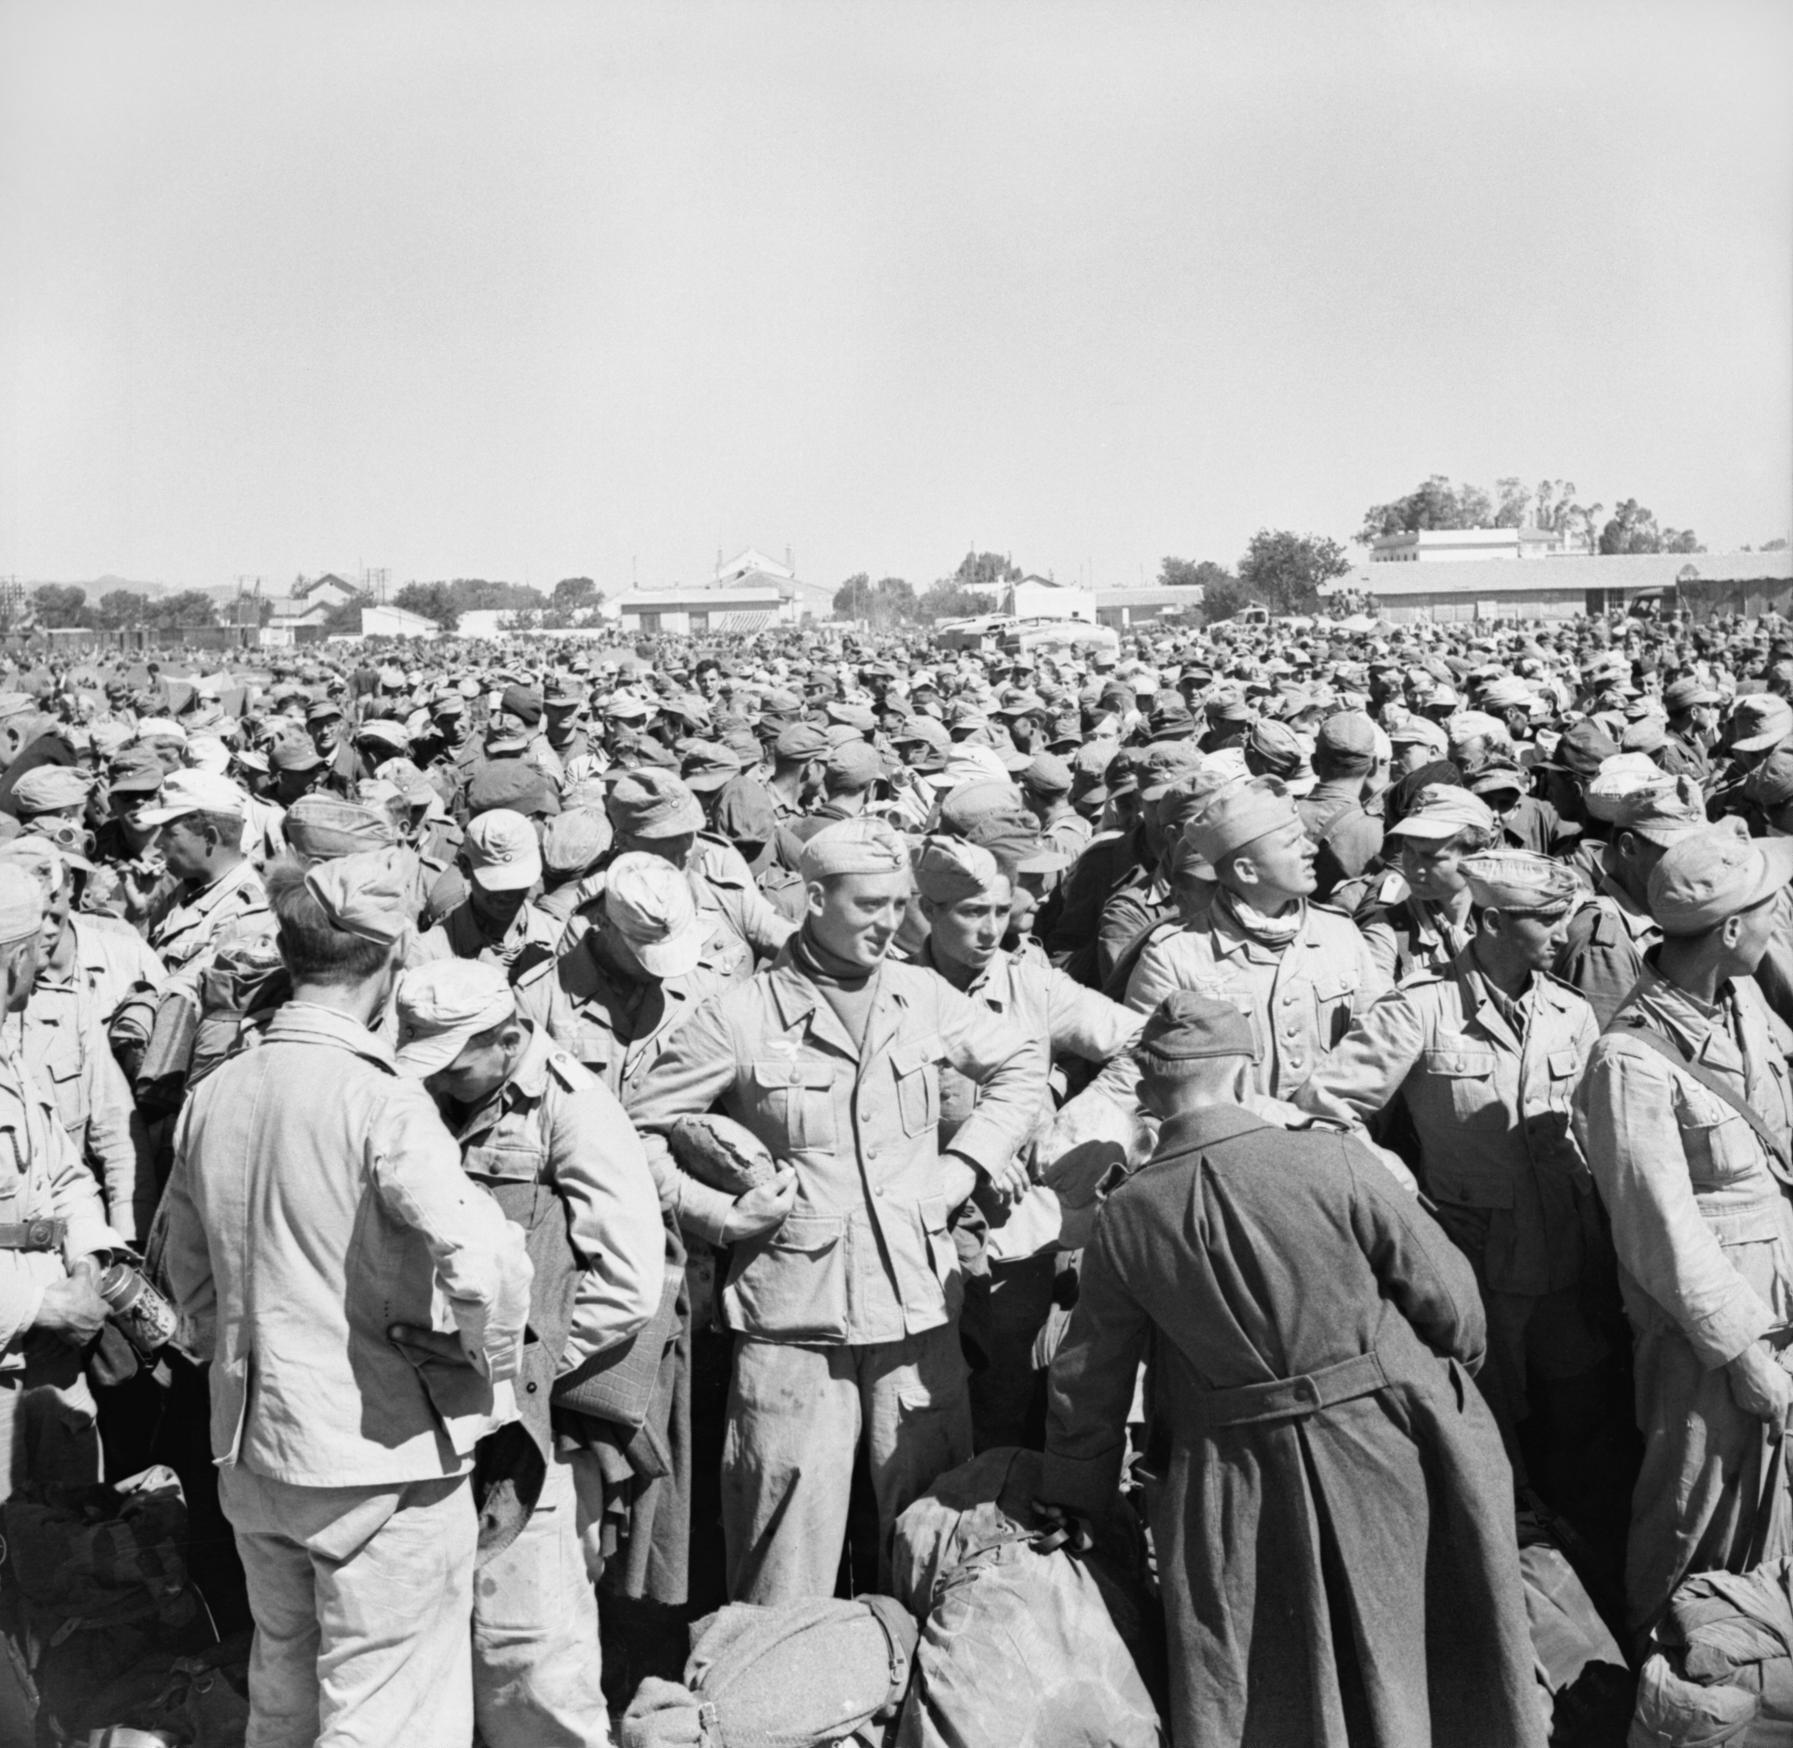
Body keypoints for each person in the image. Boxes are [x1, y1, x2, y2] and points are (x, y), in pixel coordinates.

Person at [1038, 990, 1544, 1748]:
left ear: (1149, 1096)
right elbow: (1451, 1304)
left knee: (1280, 1672)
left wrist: (1074, 1494)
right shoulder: (1330, 1158)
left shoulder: (1126, 1217)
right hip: (1387, 1438)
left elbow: (1089, 1380)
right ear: (1244, 1075)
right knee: (1422, 1642)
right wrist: (1441, 1381)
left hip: (1233, 1476)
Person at [157, 848, 533, 1748]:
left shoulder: (216, 1090)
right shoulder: (384, 1100)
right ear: (392, 954)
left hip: (253, 1449)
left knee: (283, 1693)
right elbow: (484, 1263)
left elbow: (184, 1270)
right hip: (379, 1454)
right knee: (390, 1715)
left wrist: (239, 1352)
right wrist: (481, 1361)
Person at [627, 816, 1047, 1603]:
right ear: (814, 899)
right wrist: (718, 1217)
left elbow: (1021, 1062)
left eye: (899, 906)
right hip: (794, 1316)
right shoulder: (739, 1013)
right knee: (783, 1534)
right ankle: (788, 1700)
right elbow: (637, 1131)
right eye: (868, 906)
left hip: (917, 1307)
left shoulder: (920, 994)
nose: (889, 925)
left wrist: (963, 1167)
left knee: (932, 1529)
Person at [1295, 851, 1613, 1530]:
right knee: (1487, 1428)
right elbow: (1324, 1109)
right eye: (1548, 920)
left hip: (1567, 1259)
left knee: (1580, 1415)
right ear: (1494, 922)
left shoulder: (1569, 1011)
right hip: (1475, 1265)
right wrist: (1404, 1194)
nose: (1564, 934)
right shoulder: (1421, 1008)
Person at [394, 959, 664, 1748]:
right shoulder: (423, 1094)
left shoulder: (575, 1112)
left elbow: (626, 1283)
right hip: (429, 1410)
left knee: (530, 1645)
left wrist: (517, 1369)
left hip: (530, 1421)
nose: (439, 1077)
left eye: (455, 1061)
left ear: (510, 1038)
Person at [1572, 827, 1793, 1638]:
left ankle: (1748, 1667)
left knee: (1769, 1510)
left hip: (1777, 1300)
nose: (1780, 920)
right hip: (1705, 1337)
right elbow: (1655, 1230)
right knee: (1695, 1506)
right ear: (1730, 930)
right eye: (1769, 909)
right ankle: (1671, 1672)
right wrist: (1740, 1355)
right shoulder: (1627, 1061)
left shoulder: (1741, 1002)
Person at [1124, 777, 1386, 1102]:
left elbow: (1375, 1045)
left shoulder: (1340, 934)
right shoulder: (1175, 956)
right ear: (1247, 871)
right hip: (1229, 1146)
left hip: (1338, 1136)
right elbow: (1140, 1073)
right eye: (1292, 843)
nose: (1311, 849)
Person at [0, 864, 124, 1502]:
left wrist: (86, 1260)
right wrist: (38, 1304)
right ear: (18, 956)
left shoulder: (10, 1051)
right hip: (10, 1348)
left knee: (75, 1566)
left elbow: (68, 1174)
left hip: (52, 1359)